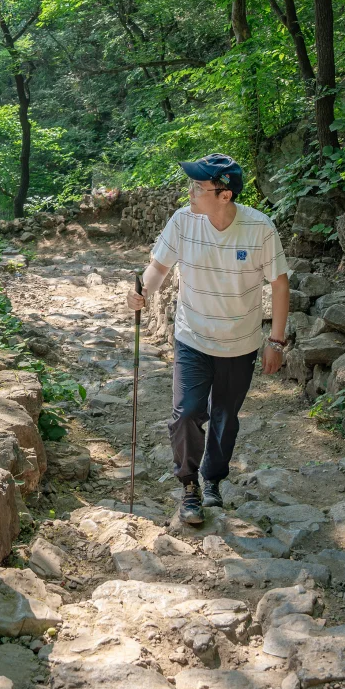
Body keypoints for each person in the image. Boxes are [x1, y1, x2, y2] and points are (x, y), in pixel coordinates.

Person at [127, 153, 290, 526]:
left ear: (224, 195)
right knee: (186, 413)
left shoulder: (259, 228)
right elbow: (158, 267)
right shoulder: (183, 222)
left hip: (242, 342)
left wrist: (276, 341)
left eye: (198, 187)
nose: (190, 192)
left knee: (225, 416)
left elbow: (280, 284)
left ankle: (212, 479)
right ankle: (189, 486)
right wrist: (143, 293)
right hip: (192, 337)